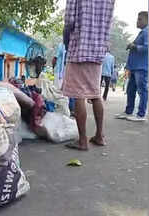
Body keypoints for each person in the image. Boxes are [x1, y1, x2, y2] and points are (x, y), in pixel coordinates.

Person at [62, 0, 115, 150]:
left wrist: (66, 42)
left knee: (79, 95)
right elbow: (109, 23)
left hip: (79, 49)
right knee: (95, 94)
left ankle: (83, 141)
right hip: (98, 52)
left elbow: (69, 21)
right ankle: (99, 136)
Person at [115, 11, 148, 121]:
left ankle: (141, 114)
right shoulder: (142, 33)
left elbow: (148, 48)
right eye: (137, 19)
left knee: (142, 90)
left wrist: (134, 46)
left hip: (141, 67)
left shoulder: (148, 32)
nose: (137, 21)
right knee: (130, 90)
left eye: (140, 19)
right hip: (134, 67)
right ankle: (129, 111)